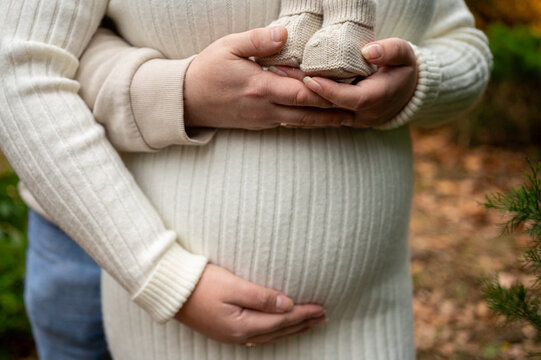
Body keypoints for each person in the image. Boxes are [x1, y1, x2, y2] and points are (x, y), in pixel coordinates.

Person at [0, 0, 492, 359]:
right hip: (160, 317)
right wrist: (168, 280)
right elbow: (21, 66)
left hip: (369, 319)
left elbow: (462, 43)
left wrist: (417, 84)